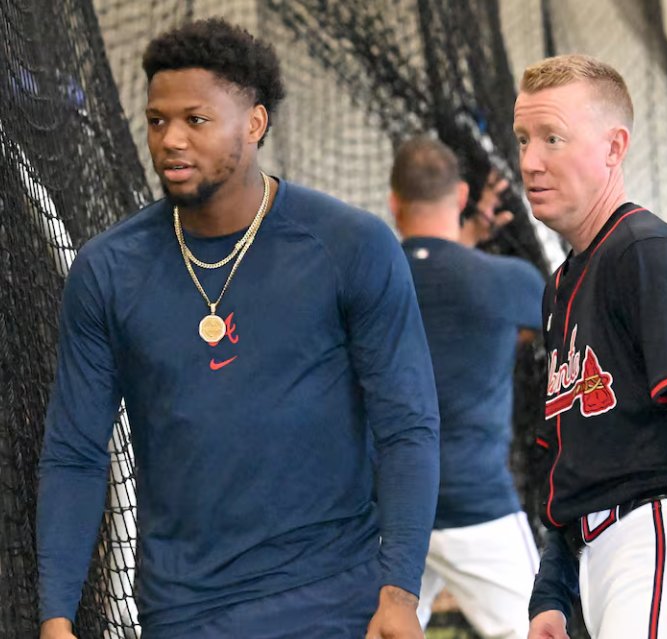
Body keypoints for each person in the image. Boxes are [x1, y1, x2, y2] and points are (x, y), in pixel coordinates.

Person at [36, 18, 439, 639]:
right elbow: (75, 453)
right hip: (184, 609)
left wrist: (399, 592)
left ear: (254, 123)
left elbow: (407, 426)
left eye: (196, 120)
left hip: (334, 596)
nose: (170, 140)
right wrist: (56, 615)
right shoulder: (107, 270)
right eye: (156, 120)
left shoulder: (350, 246)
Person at [513, 54, 667, 639]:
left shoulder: (646, 254)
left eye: (554, 138)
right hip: (615, 557)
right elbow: (575, 464)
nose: (530, 161)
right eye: (523, 138)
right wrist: (553, 589)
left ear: (613, 147)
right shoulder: (563, 284)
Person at [388, 136, 545, 638]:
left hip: (389, 511)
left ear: (394, 202)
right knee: (532, 630)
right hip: (475, 501)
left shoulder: (363, 278)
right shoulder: (507, 279)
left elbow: (426, 284)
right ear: (459, 196)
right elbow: (539, 328)